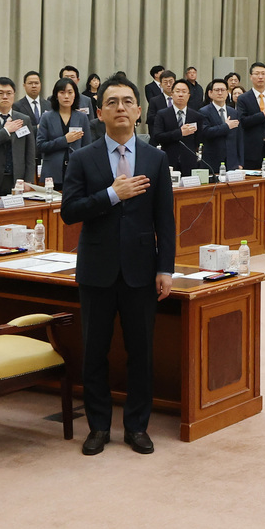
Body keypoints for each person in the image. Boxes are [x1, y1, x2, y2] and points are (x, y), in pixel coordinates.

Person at [61, 75, 175, 457]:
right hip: (96, 269)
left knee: (140, 352)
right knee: (95, 351)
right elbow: (69, 212)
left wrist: (166, 268)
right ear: (99, 113)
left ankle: (137, 427)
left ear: (139, 111)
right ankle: (97, 427)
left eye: (128, 101)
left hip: (141, 270)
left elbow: (165, 220)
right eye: (112, 102)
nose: (121, 108)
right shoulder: (82, 158)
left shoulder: (157, 159)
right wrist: (112, 194)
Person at [38, 78, 96, 188]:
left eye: (70, 92)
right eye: (62, 92)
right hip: (53, 172)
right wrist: (65, 140)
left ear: (75, 95)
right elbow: (41, 146)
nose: (66, 96)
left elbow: (87, 147)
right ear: (56, 95)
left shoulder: (82, 117)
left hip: (76, 171)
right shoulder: (47, 117)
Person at [153, 80, 208, 173]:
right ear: (172, 94)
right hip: (168, 160)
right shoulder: (162, 114)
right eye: (177, 91)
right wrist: (180, 133)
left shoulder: (196, 116)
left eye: (184, 91)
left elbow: (198, 140)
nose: (181, 95)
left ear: (189, 95)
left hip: (189, 161)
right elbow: (157, 136)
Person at [236, 62, 265, 168]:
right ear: (251, 77)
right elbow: (242, 122)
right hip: (251, 148)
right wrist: (262, 115)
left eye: (263, 73)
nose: (260, 77)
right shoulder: (243, 98)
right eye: (257, 74)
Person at [199, 78, 244, 171]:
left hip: (232, 162)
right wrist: (226, 127)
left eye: (223, 90)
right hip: (212, 161)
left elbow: (239, 138)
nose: (220, 93)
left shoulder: (234, 112)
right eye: (217, 90)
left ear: (227, 93)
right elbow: (205, 132)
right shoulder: (204, 111)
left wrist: (240, 162)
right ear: (210, 93)